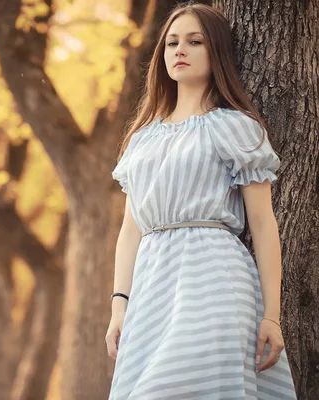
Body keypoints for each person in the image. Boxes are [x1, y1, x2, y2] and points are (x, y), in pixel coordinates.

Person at [105, 3, 298, 399]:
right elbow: (130, 230)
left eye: (195, 42)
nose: (180, 50)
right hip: (151, 290)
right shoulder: (142, 139)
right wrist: (118, 304)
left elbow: (264, 225)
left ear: (217, 53)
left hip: (214, 283)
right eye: (172, 42)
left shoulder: (235, 127)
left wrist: (272, 317)